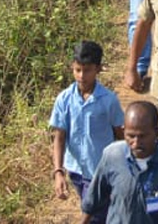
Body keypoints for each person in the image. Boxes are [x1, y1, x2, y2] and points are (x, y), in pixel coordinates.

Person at [81, 101, 158, 224]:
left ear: (157, 133)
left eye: (142, 136)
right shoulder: (112, 156)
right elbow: (93, 199)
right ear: (123, 131)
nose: (136, 143)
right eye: (130, 136)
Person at [50, 40, 124, 224]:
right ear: (72, 68)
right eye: (78, 70)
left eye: (88, 70)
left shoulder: (108, 100)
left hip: (101, 170)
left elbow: (120, 134)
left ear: (98, 69)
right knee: (95, 210)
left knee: (95, 214)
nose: (82, 76)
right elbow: (59, 137)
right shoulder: (64, 100)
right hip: (76, 170)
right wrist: (58, 171)